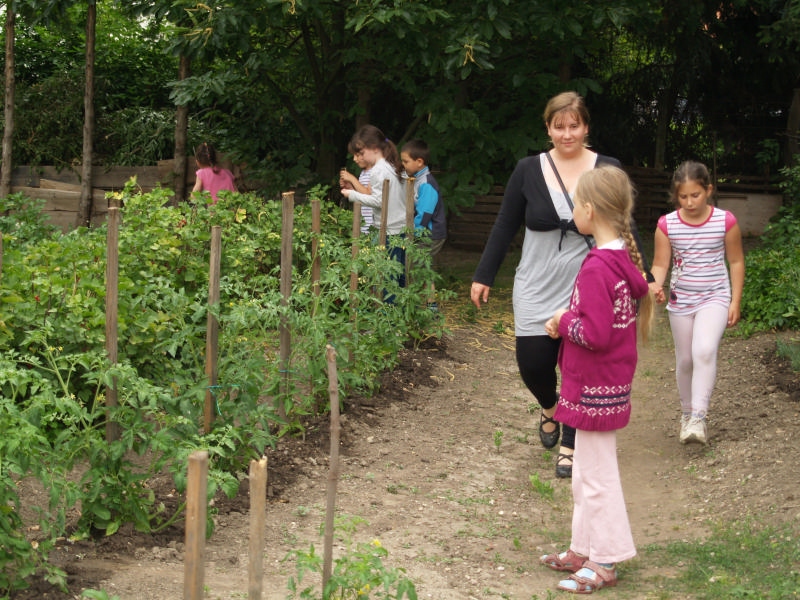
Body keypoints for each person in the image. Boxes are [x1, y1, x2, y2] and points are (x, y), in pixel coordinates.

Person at [470, 91, 624, 478]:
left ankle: (570, 444)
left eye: (574, 126)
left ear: (586, 127)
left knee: (577, 368)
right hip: (535, 281)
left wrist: (643, 275)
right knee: (533, 363)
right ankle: (550, 406)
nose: (567, 134)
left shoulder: (607, 168)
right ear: (548, 129)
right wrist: (484, 274)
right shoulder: (528, 169)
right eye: (559, 126)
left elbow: (624, 223)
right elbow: (505, 224)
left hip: (587, 282)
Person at [540, 165, 653, 594]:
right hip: (606, 385)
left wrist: (562, 319)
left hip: (594, 387)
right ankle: (583, 548)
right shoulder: (620, 259)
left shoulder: (597, 267)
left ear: (589, 210)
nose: (573, 213)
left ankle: (605, 560)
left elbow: (595, 334)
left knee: (598, 476)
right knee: (585, 471)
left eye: (575, 205)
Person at [648, 160, 745, 445]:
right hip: (681, 301)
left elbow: (736, 261)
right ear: (675, 196)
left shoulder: (725, 221)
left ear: (709, 190)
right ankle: (687, 413)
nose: (690, 202)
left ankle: (699, 418)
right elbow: (660, 264)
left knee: (704, 350)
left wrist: (735, 300)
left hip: (715, 297)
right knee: (686, 359)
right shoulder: (666, 225)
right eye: (683, 196)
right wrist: (655, 285)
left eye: (696, 195)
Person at [340, 125, 407, 286]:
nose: (359, 157)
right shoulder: (392, 165)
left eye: (361, 153)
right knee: (399, 277)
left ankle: (389, 304)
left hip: (388, 231)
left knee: (388, 282)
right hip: (401, 229)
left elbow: (379, 201)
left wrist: (352, 195)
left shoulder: (378, 170)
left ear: (375, 148)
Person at [400, 139, 447, 310]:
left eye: (405, 161)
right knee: (424, 268)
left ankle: (416, 306)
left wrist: (411, 235)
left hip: (429, 234)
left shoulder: (426, 183)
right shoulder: (418, 179)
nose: (403, 164)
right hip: (425, 233)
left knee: (416, 267)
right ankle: (429, 305)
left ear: (419, 162)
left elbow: (424, 215)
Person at [340, 138, 375, 235]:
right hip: (364, 223)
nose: (354, 159)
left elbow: (368, 193)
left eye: (358, 155)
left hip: (373, 225)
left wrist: (352, 179)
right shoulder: (363, 173)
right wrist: (350, 188)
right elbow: (361, 196)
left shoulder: (375, 171)